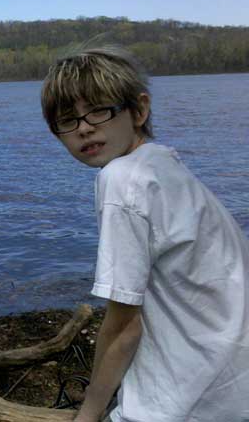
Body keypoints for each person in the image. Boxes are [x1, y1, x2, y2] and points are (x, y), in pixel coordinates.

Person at [40, 45, 249, 422]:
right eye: (68, 120)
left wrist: (89, 412)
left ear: (139, 110)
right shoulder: (164, 164)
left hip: (191, 398)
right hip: (233, 379)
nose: (84, 127)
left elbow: (124, 327)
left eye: (99, 110)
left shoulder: (123, 180)